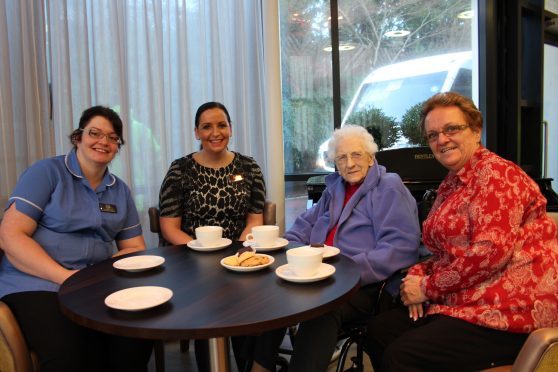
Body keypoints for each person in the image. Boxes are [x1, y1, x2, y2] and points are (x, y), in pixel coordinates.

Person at [365, 92, 558, 371]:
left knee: (402, 355)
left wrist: (427, 288)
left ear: (476, 130)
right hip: (467, 298)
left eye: (452, 129)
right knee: (379, 330)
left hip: (509, 311)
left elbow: (488, 253)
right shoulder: (452, 184)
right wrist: (419, 274)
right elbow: (443, 251)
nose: (441, 140)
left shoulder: (497, 176)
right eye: (433, 135)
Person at [0, 106, 152, 372]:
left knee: (136, 337)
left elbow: (135, 247)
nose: (103, 141)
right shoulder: (47, 172)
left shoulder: (120, 190)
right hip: (37, 284)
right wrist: (66, 278)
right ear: (78, 137)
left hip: (91, 287)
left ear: (118, 146)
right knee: (73, 354)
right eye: (95, 133)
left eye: (113, 137)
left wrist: (104, 276)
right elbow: (10, 236)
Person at [259, 124, 420, 372]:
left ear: (370, 157)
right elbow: (302, 226)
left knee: (322, 309)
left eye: (356, 155)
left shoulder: (389, 187)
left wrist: (345, 271)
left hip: (364, 284)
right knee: (275, 291)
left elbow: (401, 247)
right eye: (342, 157)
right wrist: (294, 251)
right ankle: (259, 366)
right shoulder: (335, 188)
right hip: (317, 274)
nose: (350, 163)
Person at [158, 101, 266, 371]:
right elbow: (169, 227)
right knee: (206, 302)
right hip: (191, 259)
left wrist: (238, 256)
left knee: (251, 298)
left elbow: (254, 220)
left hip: (237, 255)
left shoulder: (249, 167)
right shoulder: (180, 170)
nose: (215, 132)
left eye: (221, 125)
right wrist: (203, 251)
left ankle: (248, 365)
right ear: (197, 132)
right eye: (207, 126)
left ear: (230, 129)